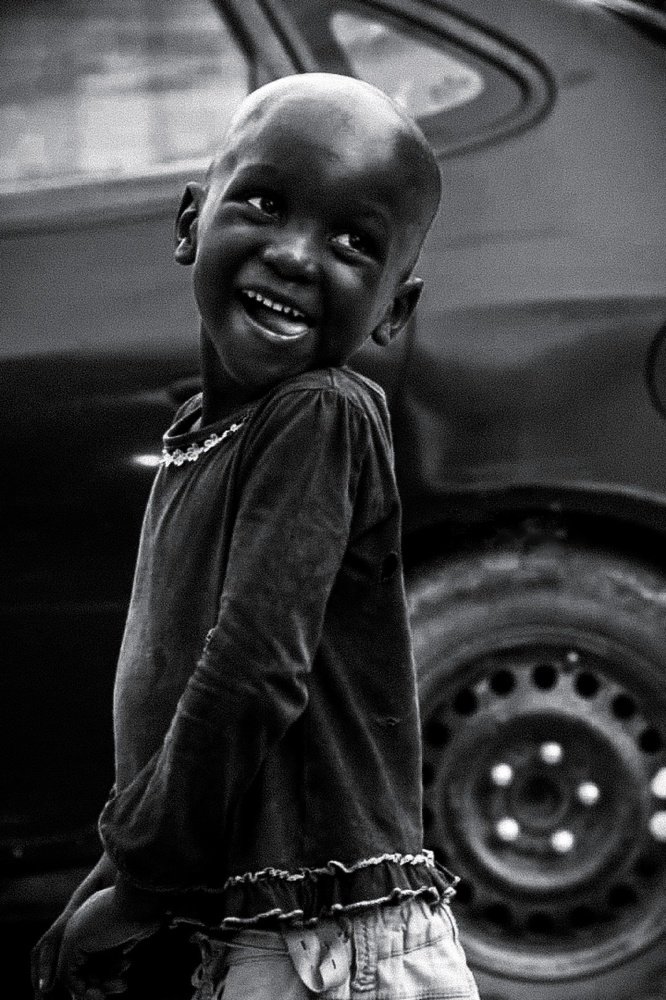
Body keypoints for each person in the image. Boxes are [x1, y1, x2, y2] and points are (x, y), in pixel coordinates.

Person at [32, 72, 480, 1000]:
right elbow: (178, 713)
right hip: (269, 931)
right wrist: (110, 880)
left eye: (354, 243)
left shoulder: (321, 415)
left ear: (395, 310)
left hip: (332, 946)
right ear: (191, 222)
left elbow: (250, 673)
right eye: (266, 204)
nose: (294, 255)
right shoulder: (206, 436)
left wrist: (140, 888)